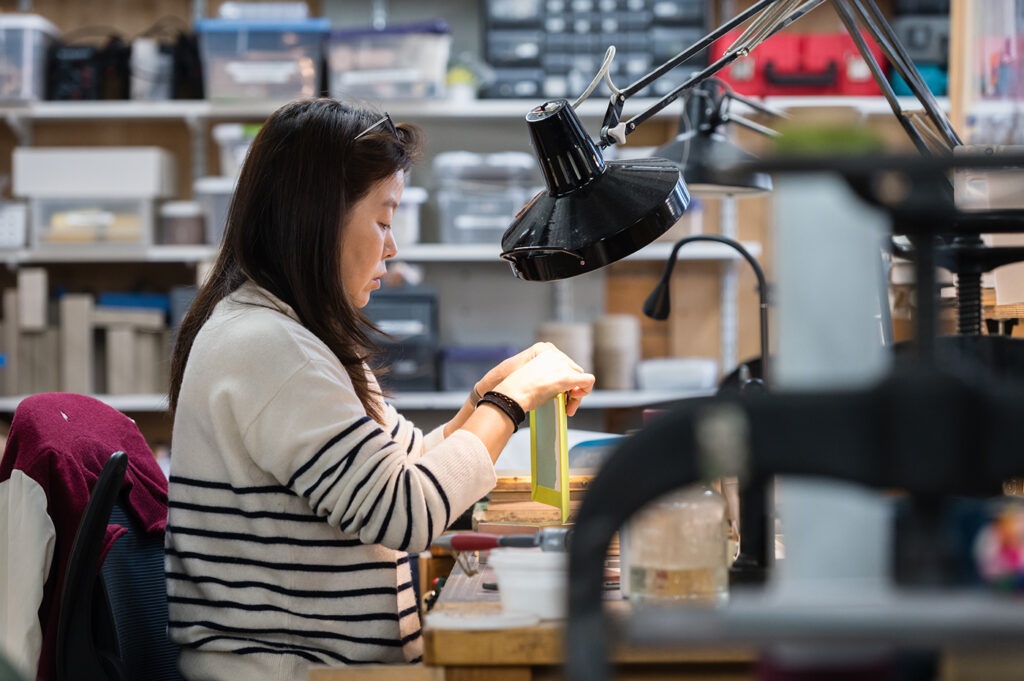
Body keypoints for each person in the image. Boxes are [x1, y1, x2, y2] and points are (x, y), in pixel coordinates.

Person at [165, 98, 595, 681]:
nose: (392, 248)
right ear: (318, 216)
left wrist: (485, 396)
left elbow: (406, 465)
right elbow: (406, 513)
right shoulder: (269, 348)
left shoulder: (289, 334)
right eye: (384, 219)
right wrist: (508, 405)